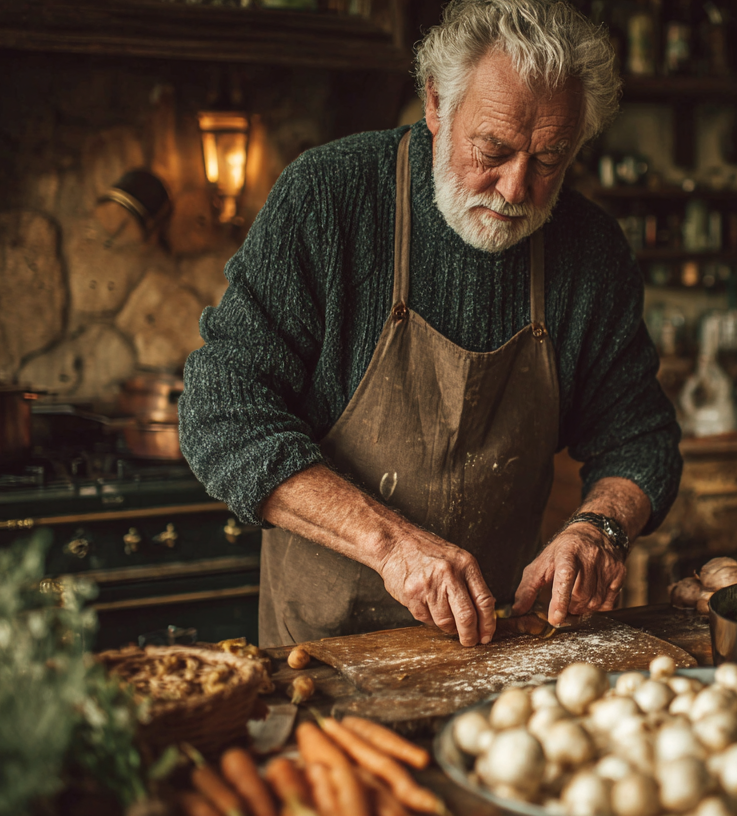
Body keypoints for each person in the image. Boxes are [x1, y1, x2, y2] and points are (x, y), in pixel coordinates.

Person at [179, 0, 682, 648]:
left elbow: (640, 438)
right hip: (325, 655)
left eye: (550, 160)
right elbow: (221, 411)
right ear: (437, 105)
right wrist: (390, 546)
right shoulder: (330, 199)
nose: (514, 189)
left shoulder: (590, 252)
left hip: (498, 650)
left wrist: (600, 529)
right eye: (493, 150)